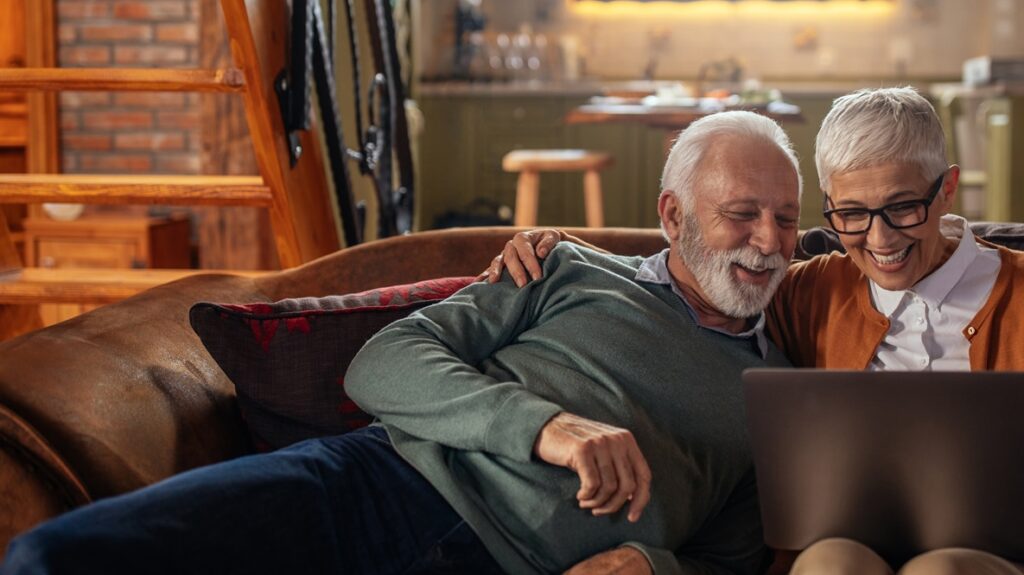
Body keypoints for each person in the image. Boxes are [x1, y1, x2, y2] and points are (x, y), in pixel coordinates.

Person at [1, 110, 801, 575]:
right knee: (58, 559)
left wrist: (656, 566)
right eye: (743, 213)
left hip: (513, 567)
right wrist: (545, 426)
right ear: (673, 215)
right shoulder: (562, 267)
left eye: (788, 217)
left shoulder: (777, 393)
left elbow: (734, 557)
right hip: (373, 485)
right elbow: (382, 363)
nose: (768, 241)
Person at [484, 87, 1024, 575]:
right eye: (851, 214)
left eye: (904, 208)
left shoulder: (1014, 292)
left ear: (947, 189)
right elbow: (701, 273)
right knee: (831, 563)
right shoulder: (808, 290)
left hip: (993, 551)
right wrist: (562, 250)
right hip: (843, 544)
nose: (879, 239)